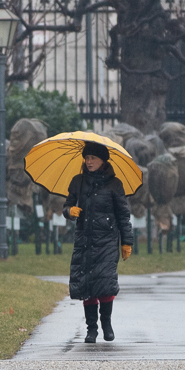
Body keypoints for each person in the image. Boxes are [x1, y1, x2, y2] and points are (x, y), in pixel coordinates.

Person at [64, 140, 133, 344]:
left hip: (107, 241)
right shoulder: (78, 181)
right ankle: (91, 329)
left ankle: (107, 324)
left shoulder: (115, 184)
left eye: (93, 157)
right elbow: (66, 205)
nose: (89, 161)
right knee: (87, 285)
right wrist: (69, 211)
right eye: (86, 158)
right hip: (85, 240)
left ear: (103, 160)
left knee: (105, 283)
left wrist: (126, 241)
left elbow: (123, 215)